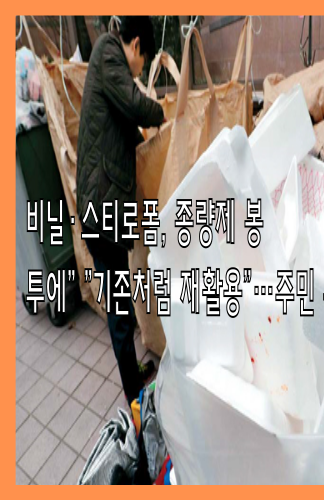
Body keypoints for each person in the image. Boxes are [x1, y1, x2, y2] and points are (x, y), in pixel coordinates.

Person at [76, 16, 164, 406]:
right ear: (136, 45)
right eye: (142, 63)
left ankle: (133, 377)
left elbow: (129, 128)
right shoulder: (107, 51)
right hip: (101, 208)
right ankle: (135, 395)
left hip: (106, 206)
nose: (139, 72)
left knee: (120, 300)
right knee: (118, 306)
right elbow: (136, 104)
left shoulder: (110, 75)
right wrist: (162, 112)